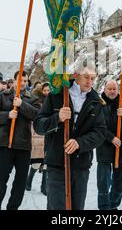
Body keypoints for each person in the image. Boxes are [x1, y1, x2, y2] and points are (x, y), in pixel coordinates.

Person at [34, 63, 106, 210]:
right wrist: (57, 118)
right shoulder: (57, 95)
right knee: (57, 207)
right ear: (75, 76)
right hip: (57, 162)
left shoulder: (96, 101)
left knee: (77, 207)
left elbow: (100, 133)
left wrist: (80, 143)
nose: (90, 82)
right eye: (86, 77)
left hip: (81, 165)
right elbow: (38, 125)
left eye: (93, 78)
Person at [0, 70, 40, 210]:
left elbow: (36, 115)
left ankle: (13, 206)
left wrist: (22, 104)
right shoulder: (3, 96)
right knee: (1, 176)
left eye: (25, 81)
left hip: (23, 145)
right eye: (20, 80)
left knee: (20, 180)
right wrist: (7, 115)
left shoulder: (32, 98)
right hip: (5, 142)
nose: (22, 83)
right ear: (14, 80)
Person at [96, 80, 122, 210]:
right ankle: (104, 207)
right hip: (104, 145)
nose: (113, 91)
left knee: (119, 181)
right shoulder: (98, 103)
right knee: (103, 181)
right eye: (110, 89)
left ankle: (114, 205)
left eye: (115, 89)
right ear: (104, 89)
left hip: (121, 146)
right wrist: (111, 137)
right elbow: (96, 125)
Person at [25, 82, 50, 196]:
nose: (47, 92)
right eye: (45, 90)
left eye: (48, 90)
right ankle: (29, 180)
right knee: (37, 160)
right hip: (38, 132)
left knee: (47, 161)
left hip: (50, 132)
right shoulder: (36, 100)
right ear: (41, 91)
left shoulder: (54, 100)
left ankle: (44, 186)